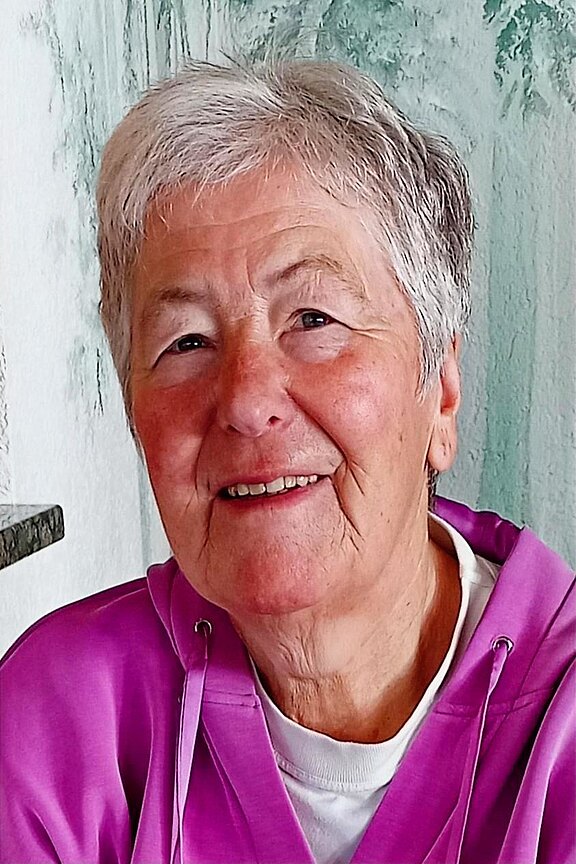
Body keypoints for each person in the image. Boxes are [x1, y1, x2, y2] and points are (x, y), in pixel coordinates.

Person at [1, 58, 574, 864]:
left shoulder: (561, 725)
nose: (246, 399)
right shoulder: (55, 725)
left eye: (312, 319)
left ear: (441, 390)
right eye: (186, 342)